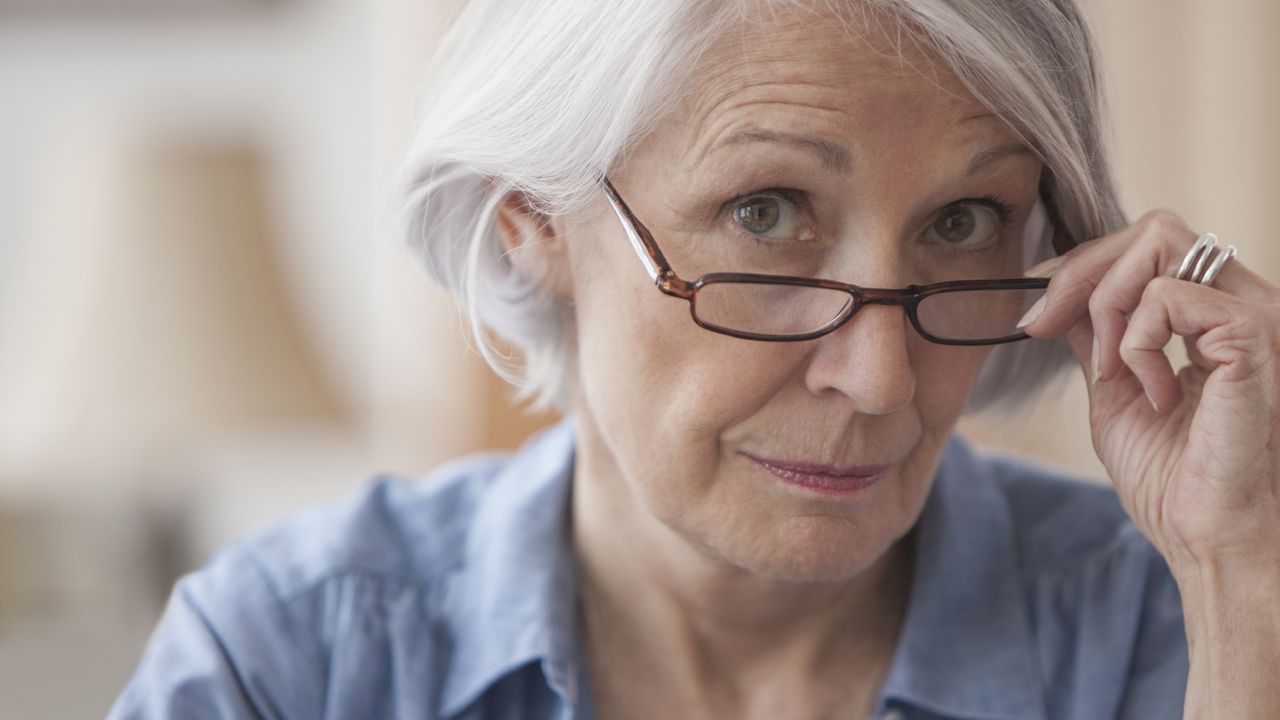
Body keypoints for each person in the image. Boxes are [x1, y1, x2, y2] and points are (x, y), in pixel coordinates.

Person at [110, 1, 1280, 718]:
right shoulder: (291, 661)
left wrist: (1244, 582)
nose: (878, 378)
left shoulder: (1167, 628)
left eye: (962, 222)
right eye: (767, 213)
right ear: (533, 217)